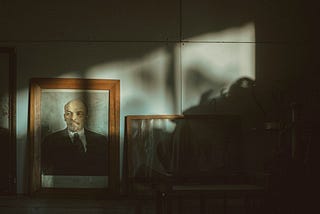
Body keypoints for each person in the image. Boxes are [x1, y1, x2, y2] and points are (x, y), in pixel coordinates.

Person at [41, 99, 107, 176]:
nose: (73, 118)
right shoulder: (50, 141)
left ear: (86, 117)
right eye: (68, 113)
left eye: (79, 113)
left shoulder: (101, 141)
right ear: (64, 117)